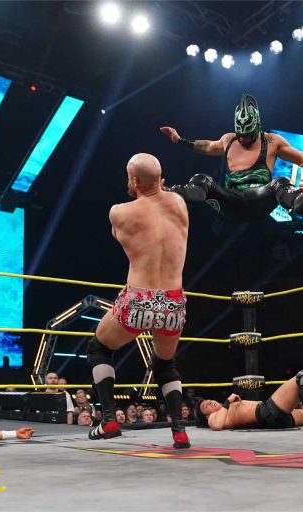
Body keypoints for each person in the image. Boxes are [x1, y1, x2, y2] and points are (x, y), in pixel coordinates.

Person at [86, 153, 191, 449]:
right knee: (165, 363)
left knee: (98, 348)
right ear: (161, 179)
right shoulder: (179, 204)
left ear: (133, 180)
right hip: (173, 302)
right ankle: (179, 430)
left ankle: (109, 419)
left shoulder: (119, 212)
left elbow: (120, 235)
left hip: (139, 300)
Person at [160, 94, 303, 221]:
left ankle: (302, 199)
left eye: (247, 135)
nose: (242, 139)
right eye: (240, 135)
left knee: (280, 182)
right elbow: (208, 146)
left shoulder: (272, 141)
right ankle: (171, 193)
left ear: (257, 127)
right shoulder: (228, 139)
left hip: (260, 199)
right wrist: (180, 140)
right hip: (231, 202)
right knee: (202, 179)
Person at [195, 370, 303, 431]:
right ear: (206, 416)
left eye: (208, 400)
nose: (209, 402)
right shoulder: (214, 418)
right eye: (205, 406)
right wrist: (228, 401)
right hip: (266, 412)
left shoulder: (223, 412)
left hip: (275, 419)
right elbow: (217, 426)